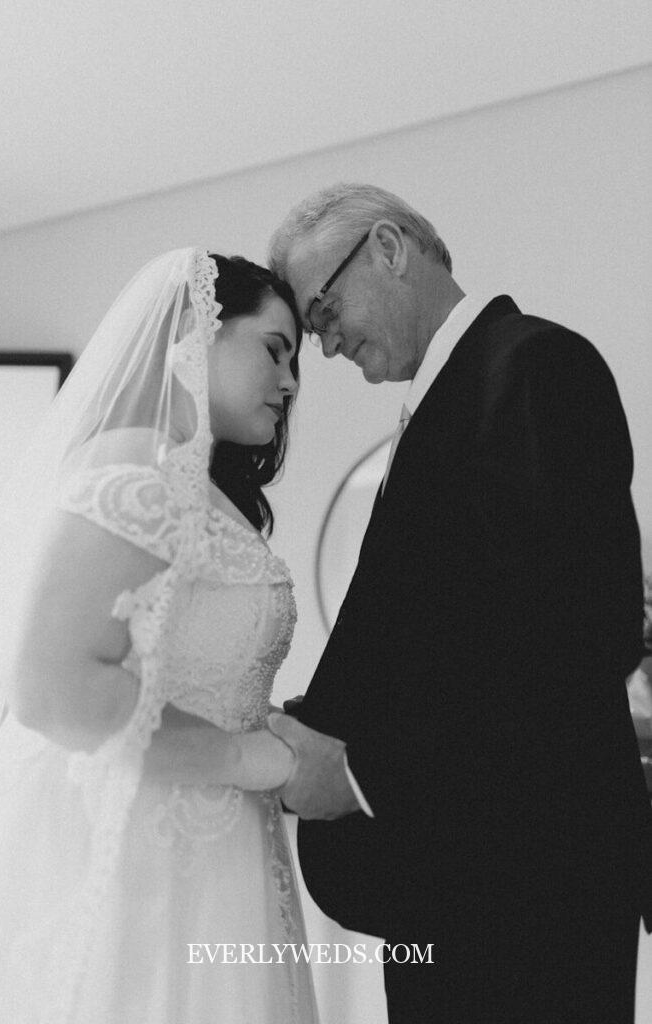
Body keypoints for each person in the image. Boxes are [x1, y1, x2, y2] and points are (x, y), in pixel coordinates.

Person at [267, 183, 652, 1023]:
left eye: (323, 313)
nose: (325, 349)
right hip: (463, 879)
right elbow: (445, 633)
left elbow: (586, 630)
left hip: (530, 888)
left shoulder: (533, 365)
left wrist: (364, 770)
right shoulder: (447, 401)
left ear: (388, 248)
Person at [0, 249, 318, 1024]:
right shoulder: (137, 466)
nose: (291, 382)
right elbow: (51, 685)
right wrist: (244, 756)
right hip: (139, 852)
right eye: (273, 348)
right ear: (199, 331)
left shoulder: (199, 488)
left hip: (217, 853)